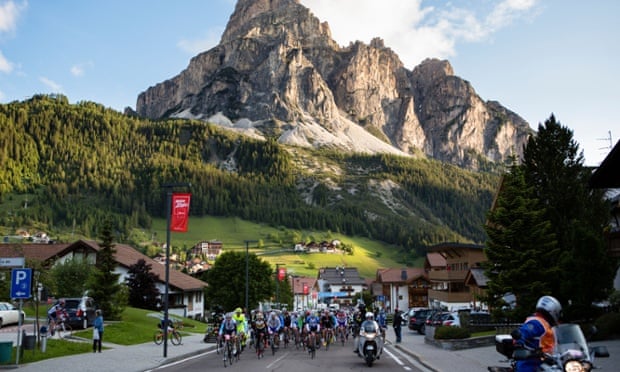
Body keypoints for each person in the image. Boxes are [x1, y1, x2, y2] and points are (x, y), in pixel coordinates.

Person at [513, 295, 562, 372]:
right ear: (553, 311)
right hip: (531, 363)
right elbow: (524, 332)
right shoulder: (536, 322)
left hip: (547, 362)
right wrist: (519, 343)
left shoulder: (547, 324)